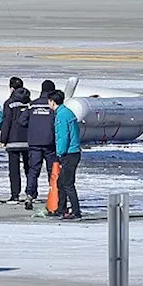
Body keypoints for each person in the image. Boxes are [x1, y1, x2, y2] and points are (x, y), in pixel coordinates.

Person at [23, 79, 58, 211]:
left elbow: (22, 121)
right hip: (49, 143)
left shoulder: (32, 105)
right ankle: (53, 195)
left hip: (34, 142)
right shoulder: (52, 106)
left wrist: (33, 126)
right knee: (52, 171)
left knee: (33, 170)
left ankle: (30, 194)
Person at [49, 90, 82, 220]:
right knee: (61, 182)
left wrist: (59, 153)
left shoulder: (61, 116)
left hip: (69, 153)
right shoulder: (68, 112)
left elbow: (63, 136)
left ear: (52, 102)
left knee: (67, 183)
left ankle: (76, 211)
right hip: (73, 152)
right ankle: (61, 208)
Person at [1, 83, 32, 203]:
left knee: (14, 170)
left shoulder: (9, 104)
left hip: (13, 141)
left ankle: (15, 194)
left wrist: (4, 138)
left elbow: (6, 122)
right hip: (28, 141)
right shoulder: (29, 104)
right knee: (29, 169)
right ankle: (30, 192)